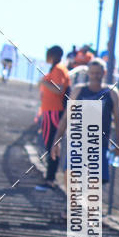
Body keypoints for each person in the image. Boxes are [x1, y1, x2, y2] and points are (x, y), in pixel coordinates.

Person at [51, 57, 119, 188]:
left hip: (99, 146)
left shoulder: (111, 93)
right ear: (88, 73)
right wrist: (56, 141)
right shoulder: (78, 91)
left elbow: (118, 122)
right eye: (92, 73)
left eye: (98, 73)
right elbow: (65, 118)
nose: (95, 76)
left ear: (104, 73)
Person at [35, 46, 70, 190]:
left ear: (54, 55)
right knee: (50, 144)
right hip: (49, 111)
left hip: (55, 112)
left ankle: (50, 179)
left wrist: (43, 82)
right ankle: (50, 177)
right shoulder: (55, 69)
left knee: (53, 145)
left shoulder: (59, 69)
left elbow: (59, 89)